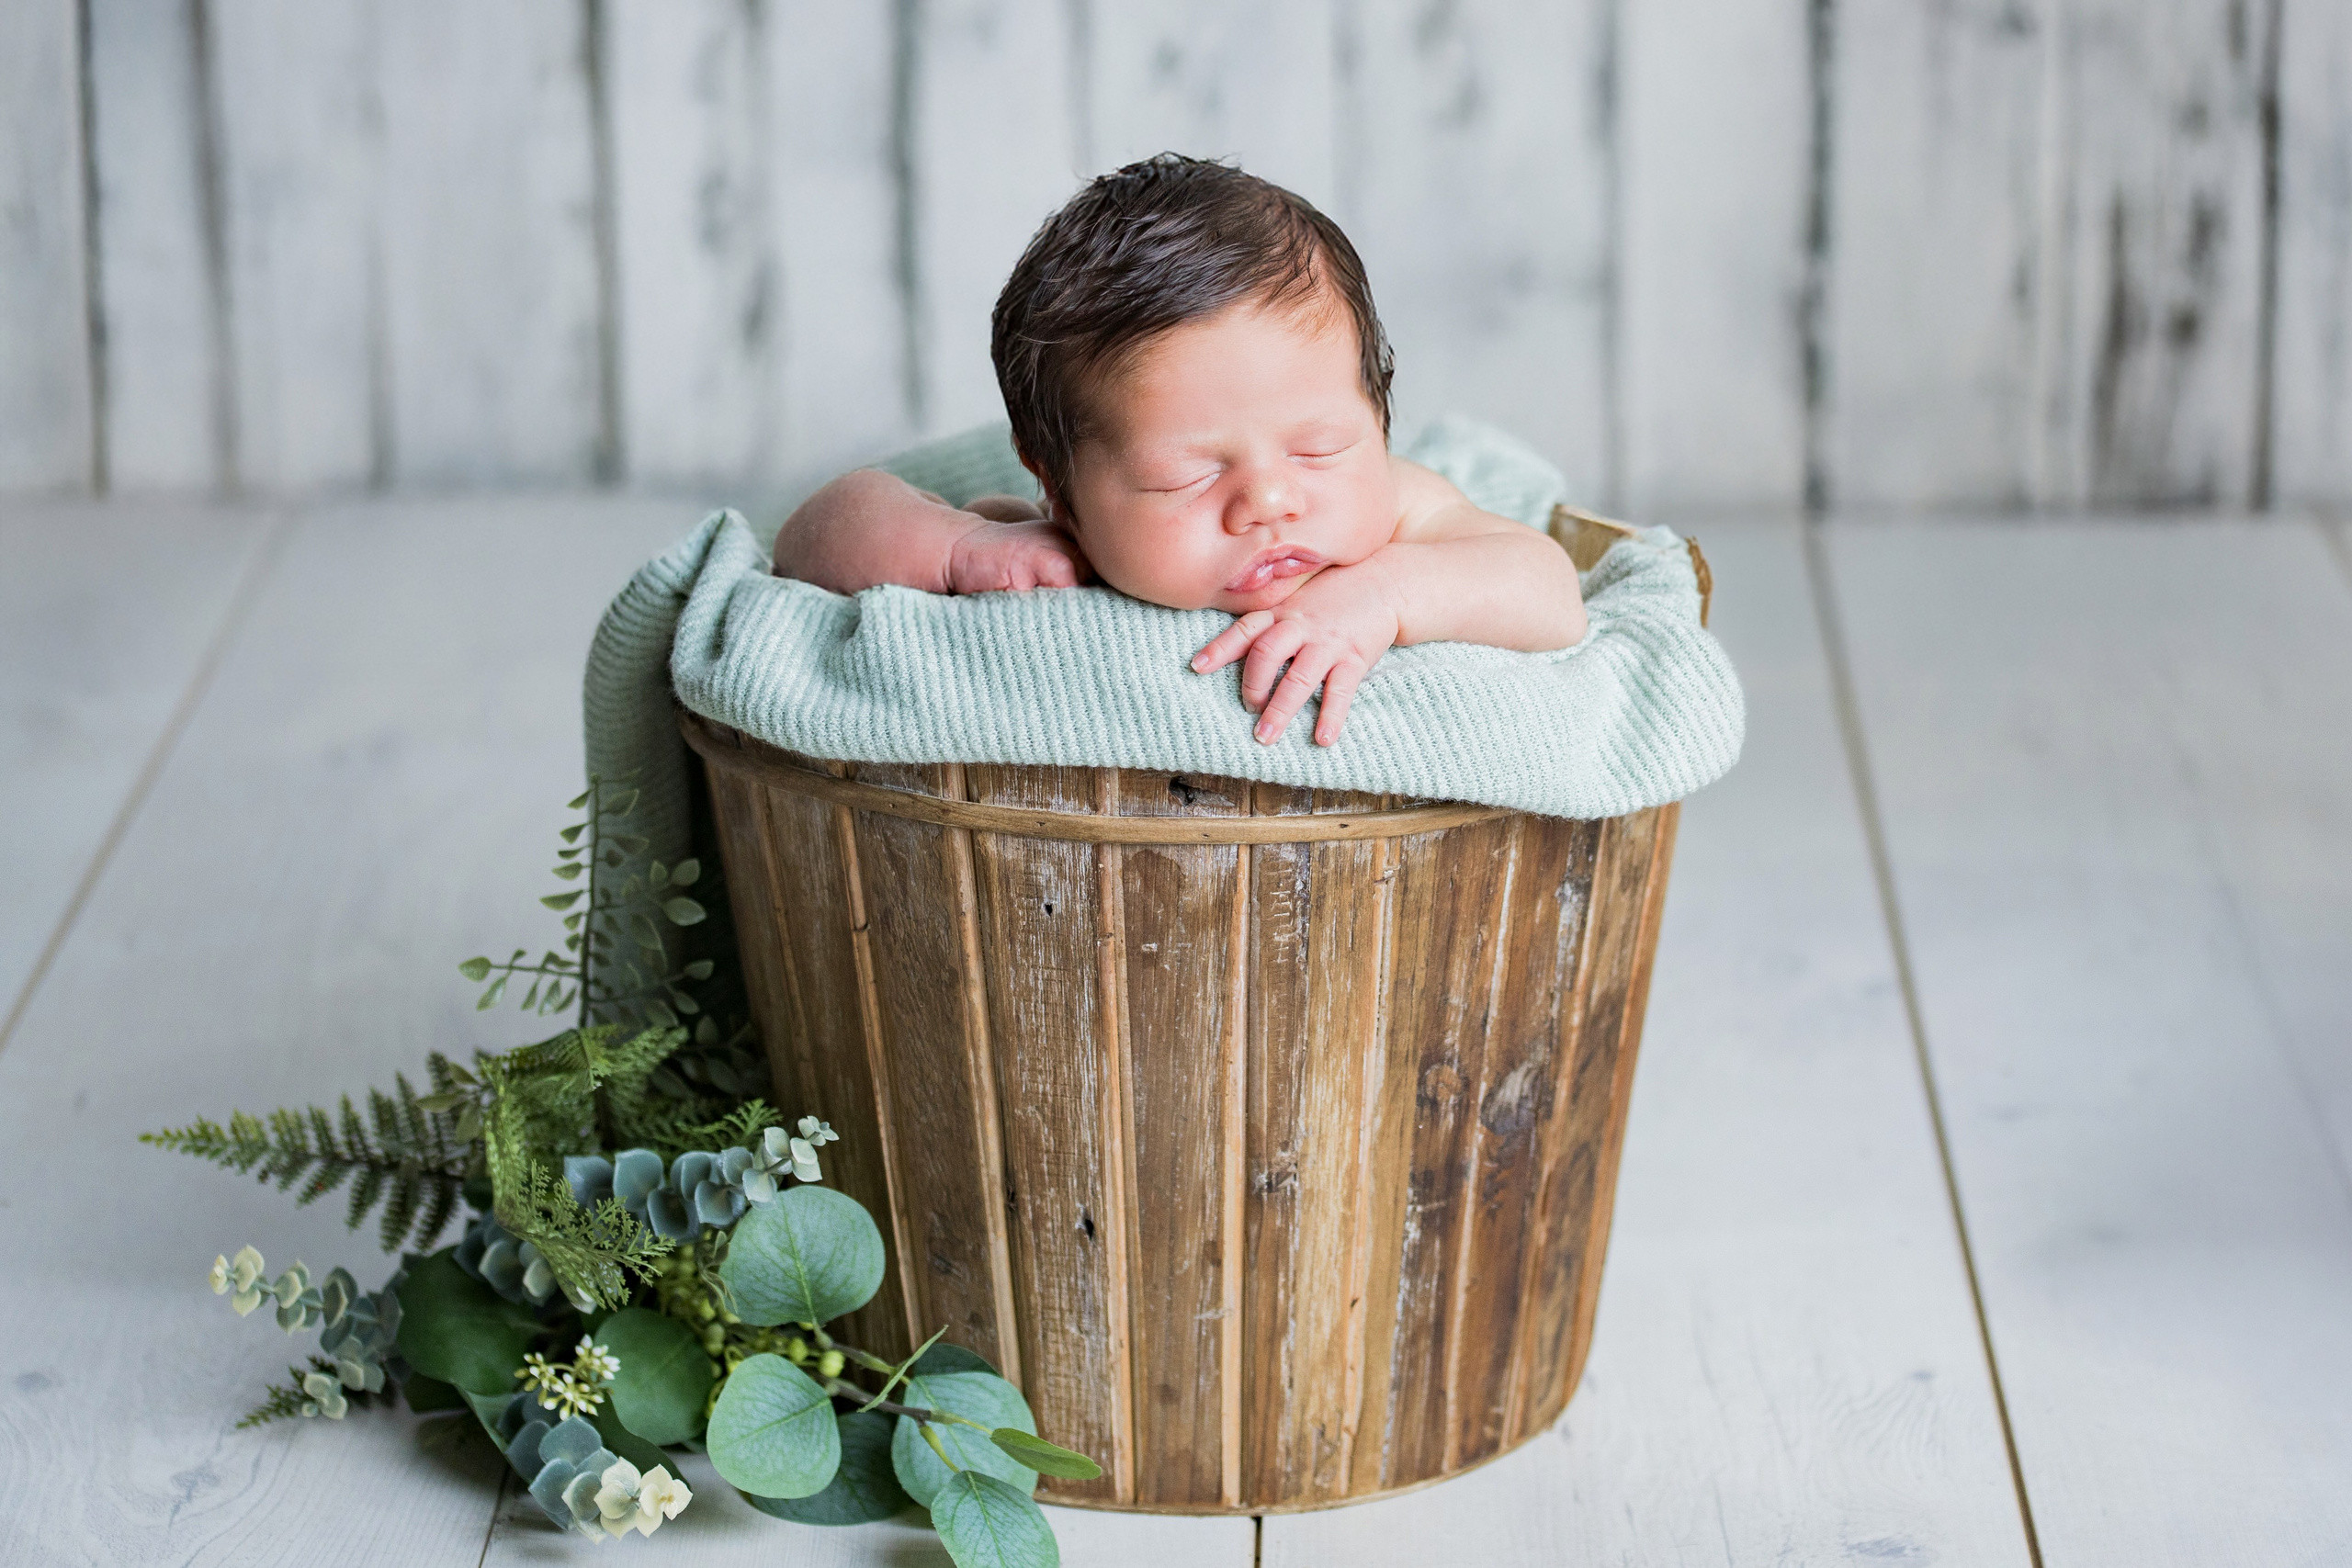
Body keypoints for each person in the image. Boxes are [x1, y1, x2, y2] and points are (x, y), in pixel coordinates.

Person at [771, 153, 1586, 748]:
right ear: (1059, 486)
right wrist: (961, 552)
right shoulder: (1052, 549)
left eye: (1319, 447)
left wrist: (1387, 596)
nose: (1268, 499)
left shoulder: (1403, 512)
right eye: (1186, 475)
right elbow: (810, 538)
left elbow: (1551, 590)